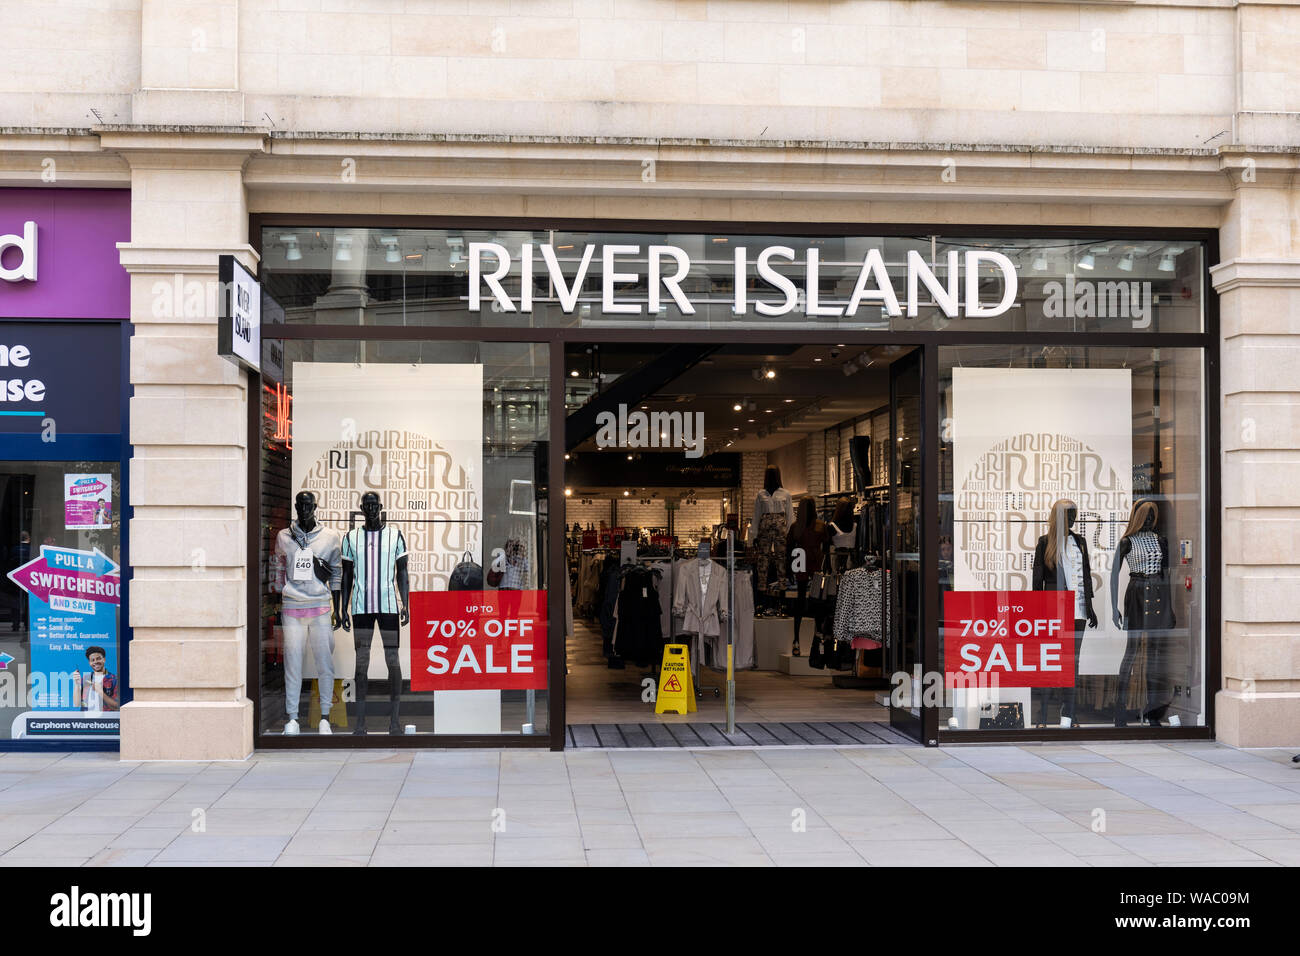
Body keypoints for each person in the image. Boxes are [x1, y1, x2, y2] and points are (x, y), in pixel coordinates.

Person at [73, 646, 119, 713]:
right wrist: (77, 684)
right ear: (89, 663)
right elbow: (77, 704)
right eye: (92, 660)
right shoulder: (86, 679)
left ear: (104, 659)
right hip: (86, 721)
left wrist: (101, 692)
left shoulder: (114, 679)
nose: (95, 662)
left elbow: (117, 707)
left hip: (106, 721)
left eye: (98, 659)